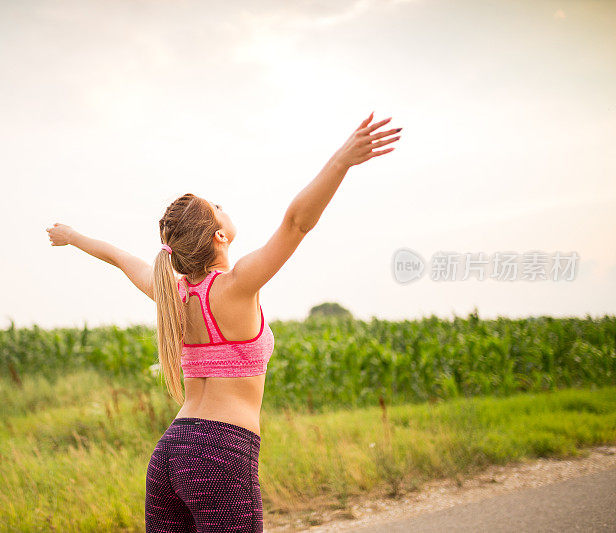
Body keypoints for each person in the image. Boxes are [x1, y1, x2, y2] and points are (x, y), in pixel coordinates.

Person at [46, 111, 401, 532]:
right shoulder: (235, 287)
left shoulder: (173, 295)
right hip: (221, 452)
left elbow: (121, 258)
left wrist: (71, 236)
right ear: (218, 236)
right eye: (216, 207)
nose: (222, 208)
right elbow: (296, 223)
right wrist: (341, 160)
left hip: (169, 454)